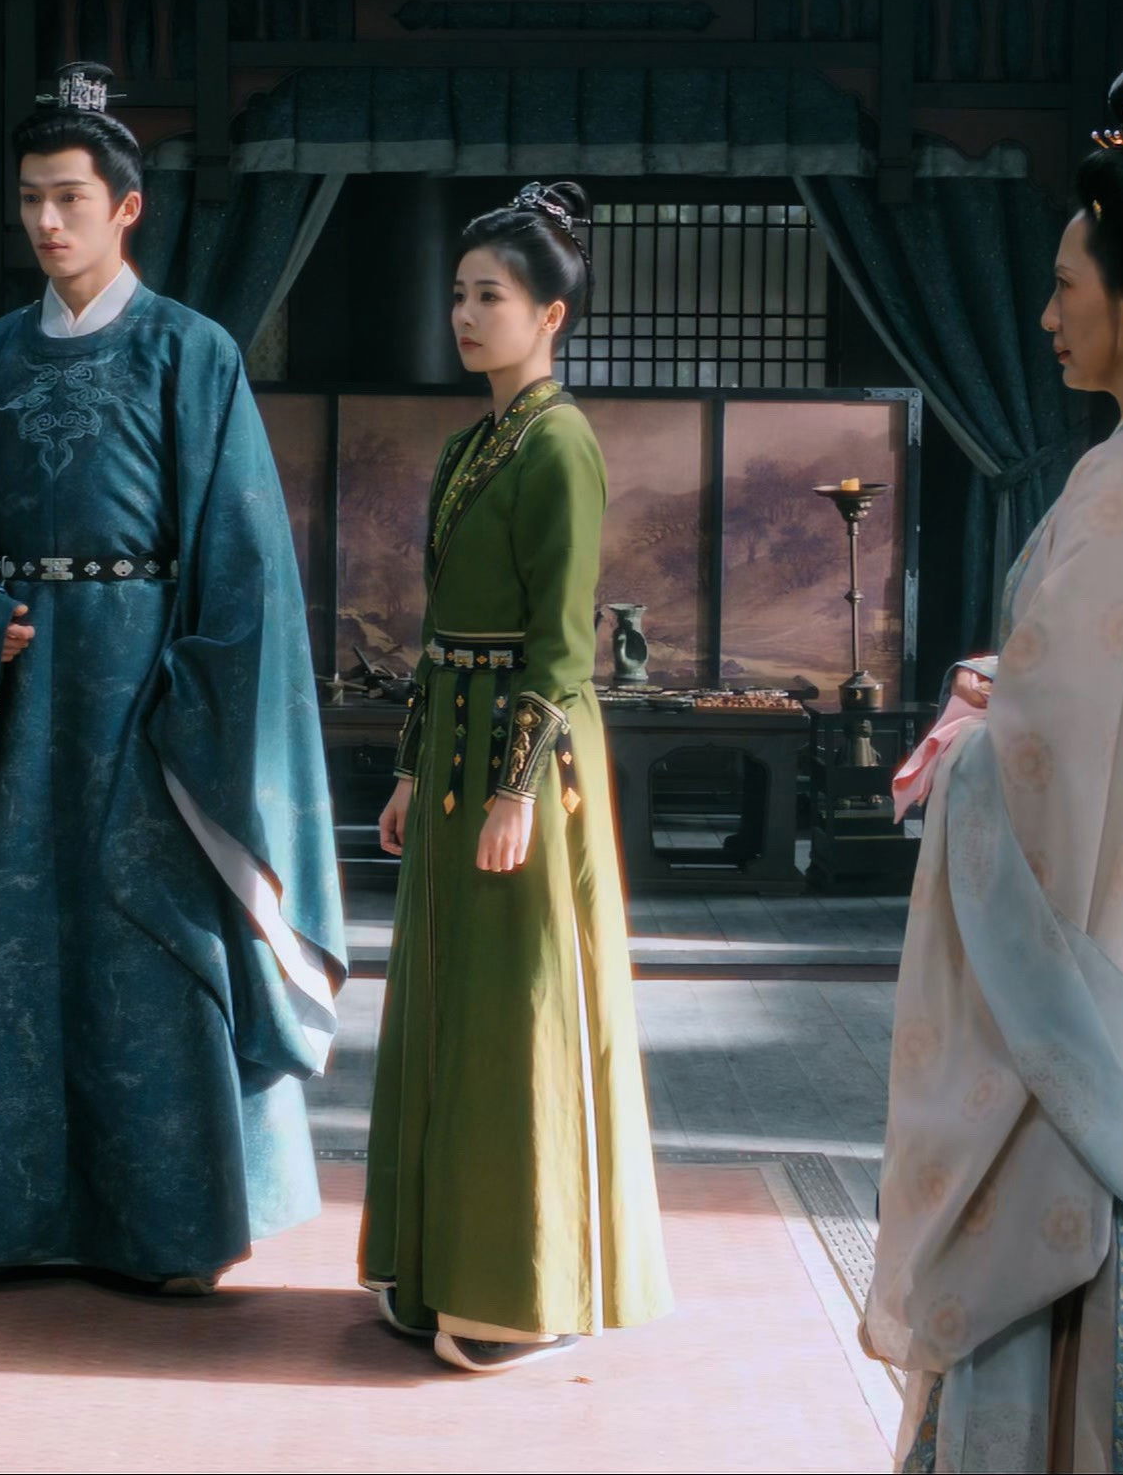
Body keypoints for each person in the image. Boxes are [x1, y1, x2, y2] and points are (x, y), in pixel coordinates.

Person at [870, 52, 1123, 1472]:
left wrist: (966, 745)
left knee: (1074, 1243)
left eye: (1065, 286)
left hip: (1107, 969)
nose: (1047, 316)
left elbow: (1049, 775)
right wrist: (1013, 699)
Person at [0, 62, 345, 1292]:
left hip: (147, 702)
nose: (46, 222)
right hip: (21, 695)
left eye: (71, 199)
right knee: (9, 937)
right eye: (30, 199)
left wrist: (191, 698)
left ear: (127, 209)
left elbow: (242, 555)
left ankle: (166, 1233)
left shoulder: (191, 352)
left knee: (148, 939)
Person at [359, 179, 672, 1374]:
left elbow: (561, 642)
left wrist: (513, 790)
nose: (466, 314)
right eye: (459, 294)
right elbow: (441, 633)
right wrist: (408, 773)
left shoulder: (560, 444)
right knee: (448, 999)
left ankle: (522, 1288)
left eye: (491, 297)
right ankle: (436, 1265)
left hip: (522, 755)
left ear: (551, 316)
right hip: (454, 740)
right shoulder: (471, 446)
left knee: (518, 1008)